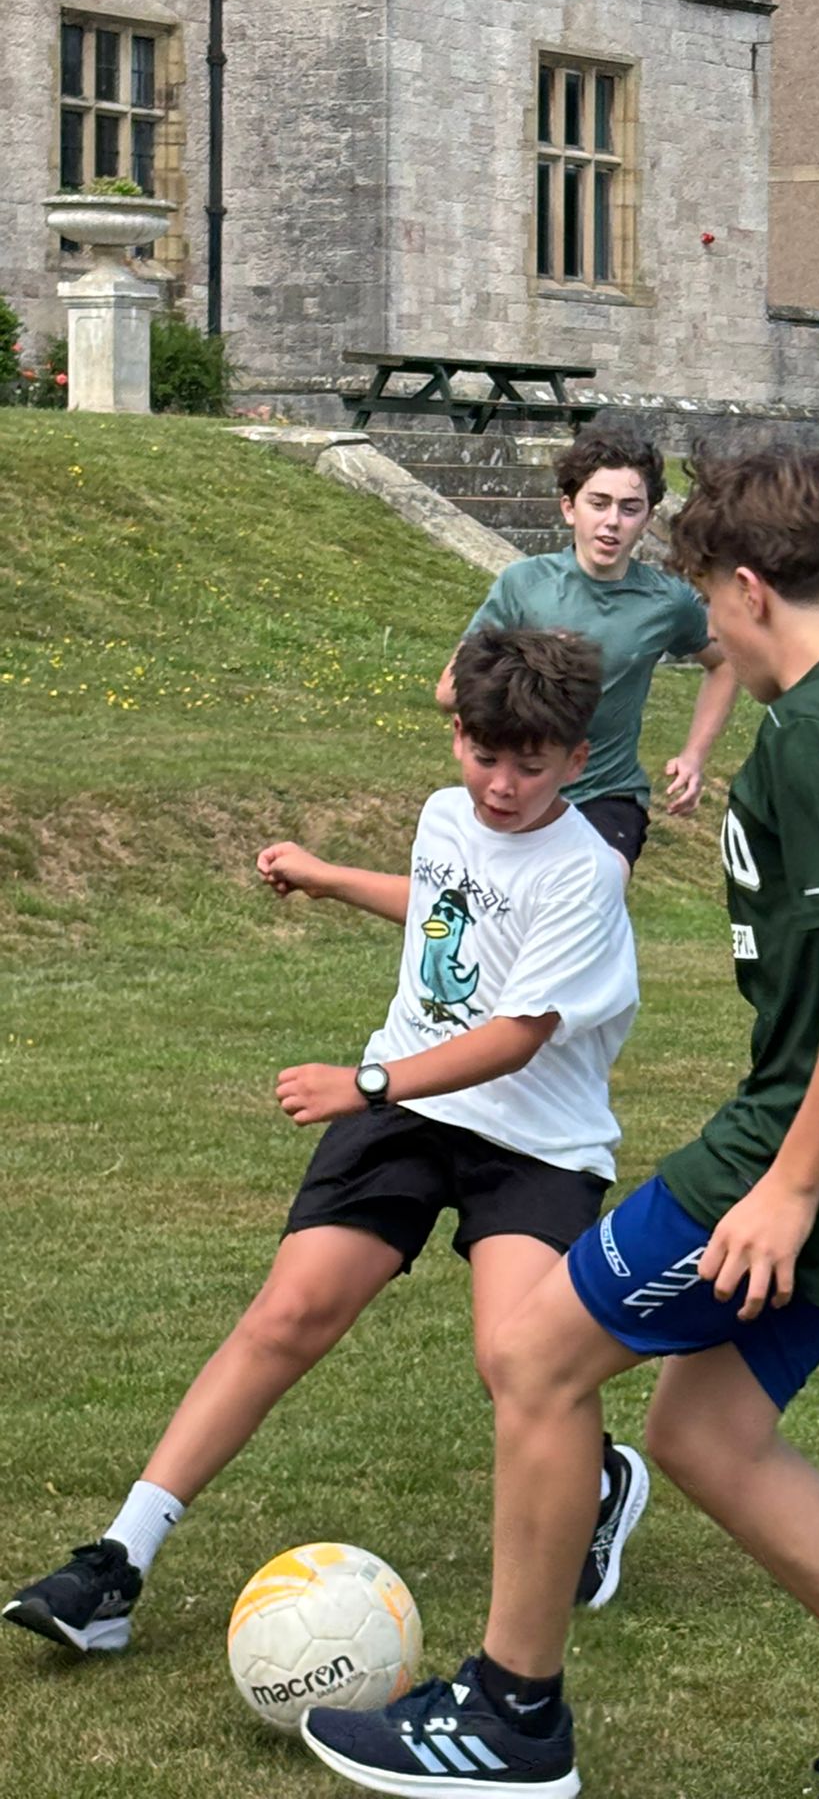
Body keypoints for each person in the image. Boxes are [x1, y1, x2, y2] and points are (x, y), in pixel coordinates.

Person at [299, 447, 819, 1799]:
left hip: (782, 1160)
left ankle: (511, 1716)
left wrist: (796, 1179)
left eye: (708, 601)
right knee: (707, 1437)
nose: (709, 632)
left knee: (536, 1359)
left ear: (750, 588)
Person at [4, 629, 648, 1662]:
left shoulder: (585, 872)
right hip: (411, 1110)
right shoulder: (446, 814)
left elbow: (519, 1031)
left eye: (531, 766)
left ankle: (598, 1478)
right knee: (288, 1312)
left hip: (535, 1139)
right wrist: (330, 876)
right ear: (457, 734)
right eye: (485, 755)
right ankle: (117, 1561)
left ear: (577, 759)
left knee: (518, 1363)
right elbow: (444, 910)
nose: (501, 785)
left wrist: (366, 1083)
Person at [436, 430, 737, 878]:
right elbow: (448, 693)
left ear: (648, 517)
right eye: (598, 503)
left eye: (629, 508)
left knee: (595, 889)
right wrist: (537, 662)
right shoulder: (524, 584)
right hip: (524, 789)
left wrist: (694, 755)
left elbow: (725, 663)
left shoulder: (668, 602)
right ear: (568, 508)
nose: (612, 521)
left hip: (608, 797)